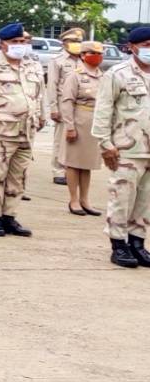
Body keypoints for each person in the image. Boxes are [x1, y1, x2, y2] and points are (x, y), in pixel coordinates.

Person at [0, 22, 43, 239]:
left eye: (22, 42)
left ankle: (9, 216)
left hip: (26, 131)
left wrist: (40, 116)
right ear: (3, 44)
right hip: (0, 131)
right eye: (15, 42)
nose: (20, 45)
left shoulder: (32, 65)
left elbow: (40, 94)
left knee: (18, 176)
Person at [93, 26, 150, 268]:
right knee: (122, 198)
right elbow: (103, 111)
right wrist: (105, 144)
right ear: (133, 47)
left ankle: (138, 243)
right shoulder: (117, 74)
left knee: (146, 200)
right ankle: (119, 245)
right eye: (147, 45)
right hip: (127, 148)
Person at [59, 40, 106, 217]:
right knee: (73, 163)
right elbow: (67, 102)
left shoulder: (103, 76)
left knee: (87, 164)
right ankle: (73, 199)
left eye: (99, 53)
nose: (97, 57)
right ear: (83, 55)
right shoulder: (75, 75)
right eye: (92, 53)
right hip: (78, 122)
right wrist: (70, 126)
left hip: (94, 124)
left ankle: (85, 199)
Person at [47, 26, 84, 185]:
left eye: (79, 41)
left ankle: (73, 170)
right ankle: (58, 171)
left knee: (78, 139)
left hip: (81, 106)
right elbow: (52, 85)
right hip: (63, 105)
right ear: (64, 43)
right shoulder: (58, 61)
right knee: (61, 139)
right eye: (74, 41)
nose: (77, 44)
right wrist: (54, 108)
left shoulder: (84, 60)